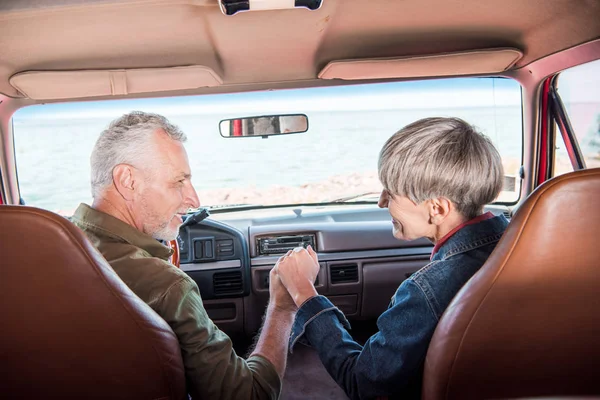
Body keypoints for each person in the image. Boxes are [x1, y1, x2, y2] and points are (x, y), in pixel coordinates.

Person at [271, 117, 509, 399]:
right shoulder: (523, 244)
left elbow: (364, 386)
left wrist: (304, 293)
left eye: (391, 193)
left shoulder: (426, 290)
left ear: (438, 209)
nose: (381, 202)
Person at [71, 111, 296, 400]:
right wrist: (283, 306)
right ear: (127, 180)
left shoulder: (48, 246)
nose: (194, 200)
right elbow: (248, 396)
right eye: (178, 182)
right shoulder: (167, 287)